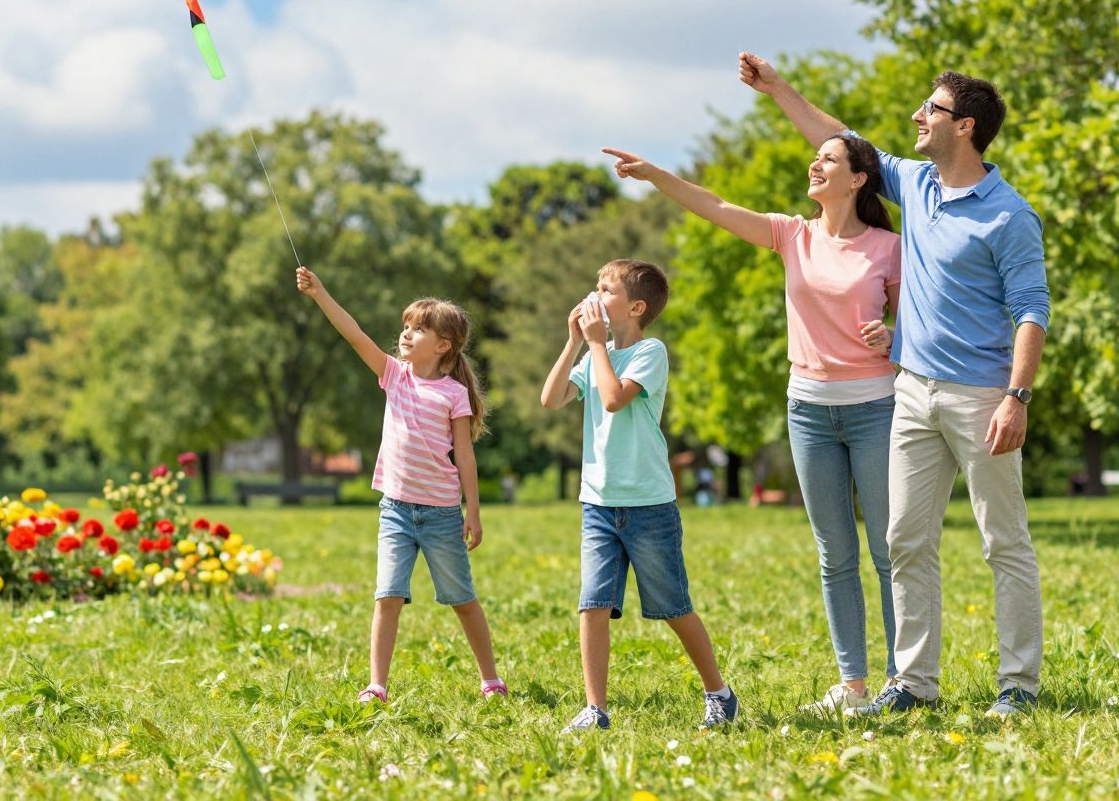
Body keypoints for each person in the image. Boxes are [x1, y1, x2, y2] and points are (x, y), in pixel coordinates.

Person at [739, 53, 1049, 720]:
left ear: (964, 126)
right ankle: (914, 683)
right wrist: (778, 88)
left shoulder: (1009, 215)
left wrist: (1017, 396)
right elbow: (841, 136)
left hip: (981, 398)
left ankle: (1018, 685)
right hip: (910, 392)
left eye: (930, 108)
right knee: (904, 541)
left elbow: (1032, 310)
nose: (917, 116)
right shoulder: (917, 183)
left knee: (1003, 542)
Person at [601, 140, 901, 715]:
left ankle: (901, 679)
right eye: (816, 157)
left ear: (859, 179)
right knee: (834, 553)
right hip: (808, 409)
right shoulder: (792, 235)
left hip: (874, 407)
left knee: (889, 550)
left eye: (829, 159)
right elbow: (714, 205)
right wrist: (656, 174)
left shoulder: (888, 248)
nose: (815, 164)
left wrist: (893, 336)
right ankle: (853, 684)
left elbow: (916, 321)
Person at [540, 258, 739, 731]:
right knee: (592, 604)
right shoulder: (595, 353)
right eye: (596, 286)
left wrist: (595, 345)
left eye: (606, 290)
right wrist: (575, 343)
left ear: (636, 307)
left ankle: (719, 692)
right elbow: (551, 399)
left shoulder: (651, 352)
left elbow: (613, 399)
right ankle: (595, 709)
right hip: (598, 503)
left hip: (649, 506)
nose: (595, 296)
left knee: (673, 606)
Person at [295, 267, 506, 704]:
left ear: (443, 345)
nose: (406, 334)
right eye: (405, 326)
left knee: (462, 599)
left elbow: (465, 456)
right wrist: (320, 294)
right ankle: (377, 685)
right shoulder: (394, 375)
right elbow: (354, 335)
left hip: (442, 515)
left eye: (419, 329)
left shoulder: (453, 394)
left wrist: (474, 511)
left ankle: (490, 680)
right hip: (395, 510)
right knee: (387, 596)